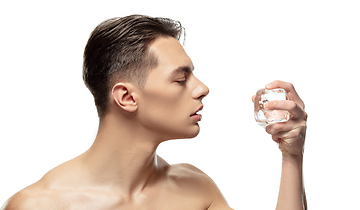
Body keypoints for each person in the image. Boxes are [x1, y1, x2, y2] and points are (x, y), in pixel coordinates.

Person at [1, 15, 307, 210]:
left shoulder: (196, 189)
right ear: (126, 97)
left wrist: (291, 156)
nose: (202, 88)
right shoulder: (38, 205)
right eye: (180, 78)